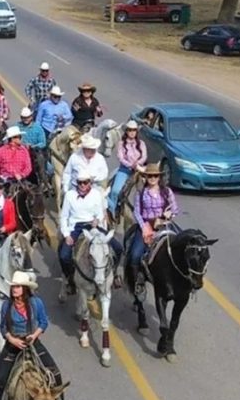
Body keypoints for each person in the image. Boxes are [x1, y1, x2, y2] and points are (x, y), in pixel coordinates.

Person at [0, 271, 74, 400]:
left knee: (55, 372)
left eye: (18, 286)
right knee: (0, 380)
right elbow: (2, 327)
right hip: (13, 344)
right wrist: (12, 340)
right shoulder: (7, 305)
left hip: (33, 342)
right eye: (13, 286)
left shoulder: (36, 303)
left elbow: (43, 322)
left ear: (26, 289)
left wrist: (34, 335)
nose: (14, 289)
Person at [58, 171, 121, 288]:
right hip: (75, 227)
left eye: (85, 182)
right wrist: (67, 235)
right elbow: (64, 216)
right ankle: (69, 278)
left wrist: (98, 220)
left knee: (118, 247)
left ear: (90, 183)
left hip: (93, 225)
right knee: (64, 255)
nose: (82, 185)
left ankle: (114, 273)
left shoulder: (96, 195)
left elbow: (101, 213)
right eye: (80, 182)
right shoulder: (69, 195)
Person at [127, 163, 179, 295]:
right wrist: (144, 226)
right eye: (150, 176)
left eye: (155, 176)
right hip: (146, 224)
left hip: (164, 224)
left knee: (184, 245)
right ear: (146, 177)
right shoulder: (140, 193)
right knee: (135, 255)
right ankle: (138, 281)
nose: (153, 178)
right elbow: (137, 212)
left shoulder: (167, 191)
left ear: (159, 177)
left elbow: (175, 209)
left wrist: (170, 214)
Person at [109, 120, 147, 214]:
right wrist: (130, 165)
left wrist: (138, 163)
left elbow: (144, 156)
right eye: (130, 130)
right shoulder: (121, 143)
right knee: (115, 191)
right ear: (126, 131)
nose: (132, 132)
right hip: (125, 170)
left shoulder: (141, 143)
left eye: (134, 130)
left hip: (140, 170)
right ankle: (112, 212)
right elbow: (120, 157)